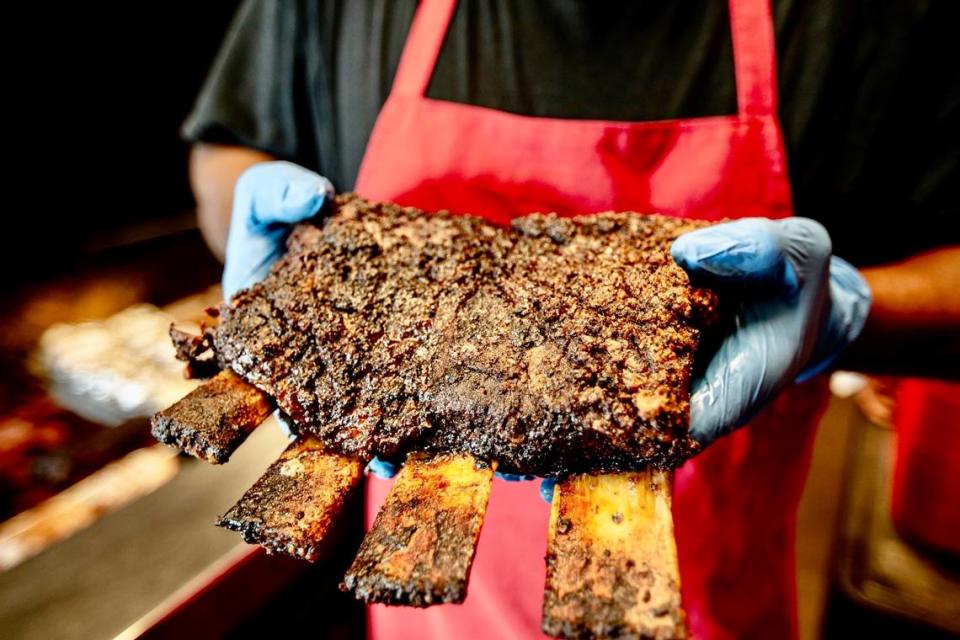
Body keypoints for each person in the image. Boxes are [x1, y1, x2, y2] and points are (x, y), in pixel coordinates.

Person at [183, 1, 960, 638]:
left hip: (705, 599)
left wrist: (849, 313)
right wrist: (264, 221)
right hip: (419, 590)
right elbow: (227, 154)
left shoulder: (869, 20)